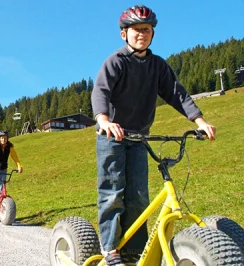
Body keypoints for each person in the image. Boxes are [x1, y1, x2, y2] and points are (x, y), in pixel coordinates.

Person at [91, 5, 216, 266]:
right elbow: (101, 91)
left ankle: (134, 251)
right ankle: (111, 248)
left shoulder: (157, 66)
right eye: (136, 30)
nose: (142, 34)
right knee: (113, 193)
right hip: (111, 137)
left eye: (146, 30)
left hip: (138, 138)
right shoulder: (116, 62)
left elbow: (177, 94)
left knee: (139, 196)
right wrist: (104, 120)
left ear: (152, 34)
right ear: (124, 34)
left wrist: (200, 121)